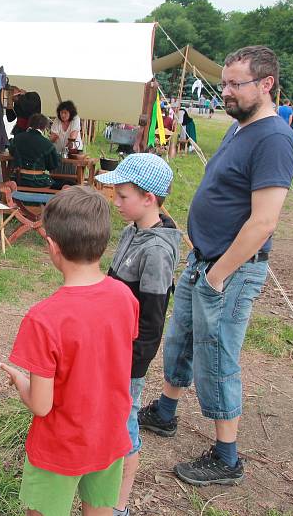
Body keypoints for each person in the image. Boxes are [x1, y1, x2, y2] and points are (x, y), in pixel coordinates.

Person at [138, 45, 293, 486]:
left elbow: (264, 221)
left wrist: (219, 273)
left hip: (230, 271)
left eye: (234, 84)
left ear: (265, 84)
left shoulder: (274, 139)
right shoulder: (241, 127)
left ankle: (227, 457)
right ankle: (166, 411)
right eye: (223, 82)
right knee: (181, 338)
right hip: (204, 261)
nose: (223, 91)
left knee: (217, 353)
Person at [0, 186, 139, 516]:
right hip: (109, 436)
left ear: (51, 246)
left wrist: (19, 379)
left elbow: (41, 405)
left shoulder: (43, 318)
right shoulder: (125, 299)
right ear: (103, 243)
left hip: (59, 446)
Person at [95, 154, 180, 516]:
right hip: (112, 348)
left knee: (125, 421)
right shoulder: (133, 231)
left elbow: (152, 321)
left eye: (123, 196)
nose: (116, 202)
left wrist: (132, 366)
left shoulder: (158, 251)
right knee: (111, 416)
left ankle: (118, 504)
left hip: (128, 359)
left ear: (149, 198)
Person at [8, 113, 62, 188]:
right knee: (62, 184)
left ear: (29, 124)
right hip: (37, 181)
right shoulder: (47, 144)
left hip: (17, 179)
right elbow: (53, 165)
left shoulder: (17, 138)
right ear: (44, 127)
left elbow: (11, 150)